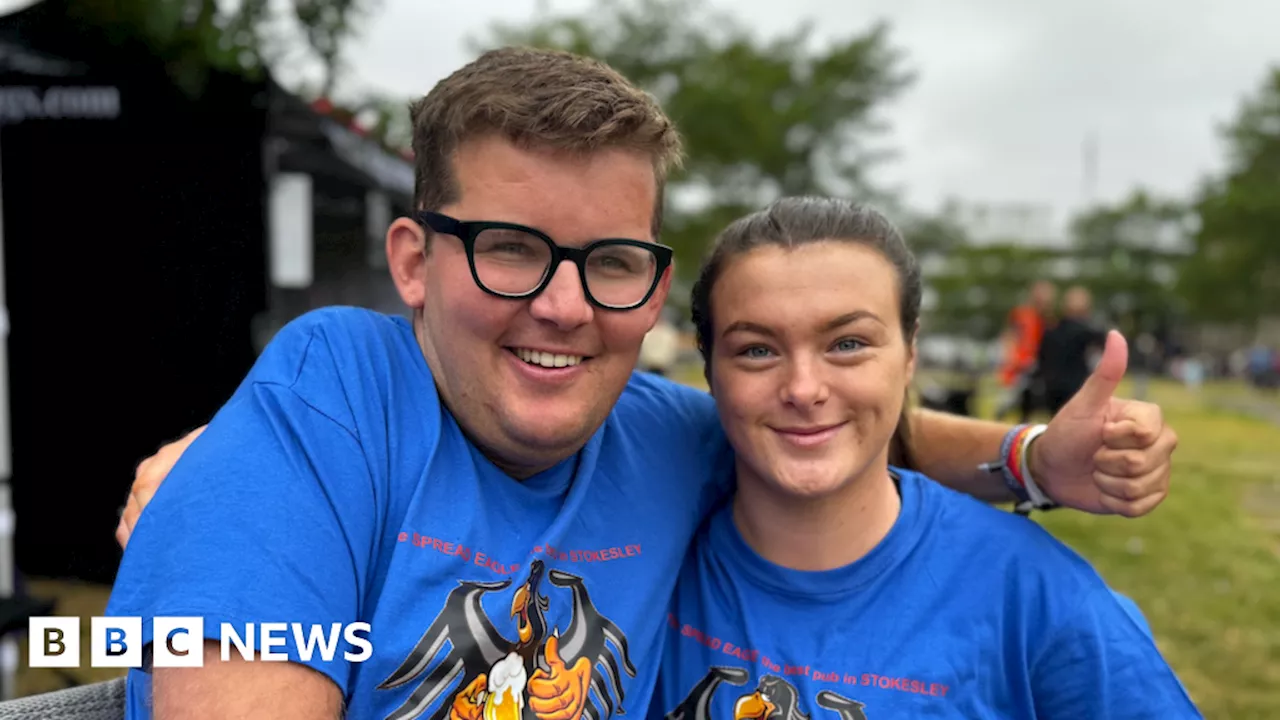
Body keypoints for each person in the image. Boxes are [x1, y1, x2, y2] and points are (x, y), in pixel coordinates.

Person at [106, 47, 1179, 720]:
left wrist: (1028, 460)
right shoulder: (330, 399)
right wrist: (232, 464)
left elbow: (815, 420)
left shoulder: (655, 436)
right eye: (511, 249)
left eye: (611, 262)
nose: (565, 308)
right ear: (410, 263)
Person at [653, 197, 1201, 719]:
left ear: (910, 354)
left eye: (847, 343)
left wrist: (1030, 458)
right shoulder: (650, 563)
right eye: (756, 350)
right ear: (708, 368)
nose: (803, 388)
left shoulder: (1038, 598)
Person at [1037, 285, 1108, 415]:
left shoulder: (1052, 331)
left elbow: (1041, 359)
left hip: (1052, 389)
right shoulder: (1090, 333)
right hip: (1079, 388)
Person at [994, 280, 1054, 422]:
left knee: (1031, 404)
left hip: (1038, 367)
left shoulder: (1049, 320)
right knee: (1008, 401)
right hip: (1019, 366)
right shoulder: (1021, 314)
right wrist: (1010, 357)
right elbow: (1009, 336)